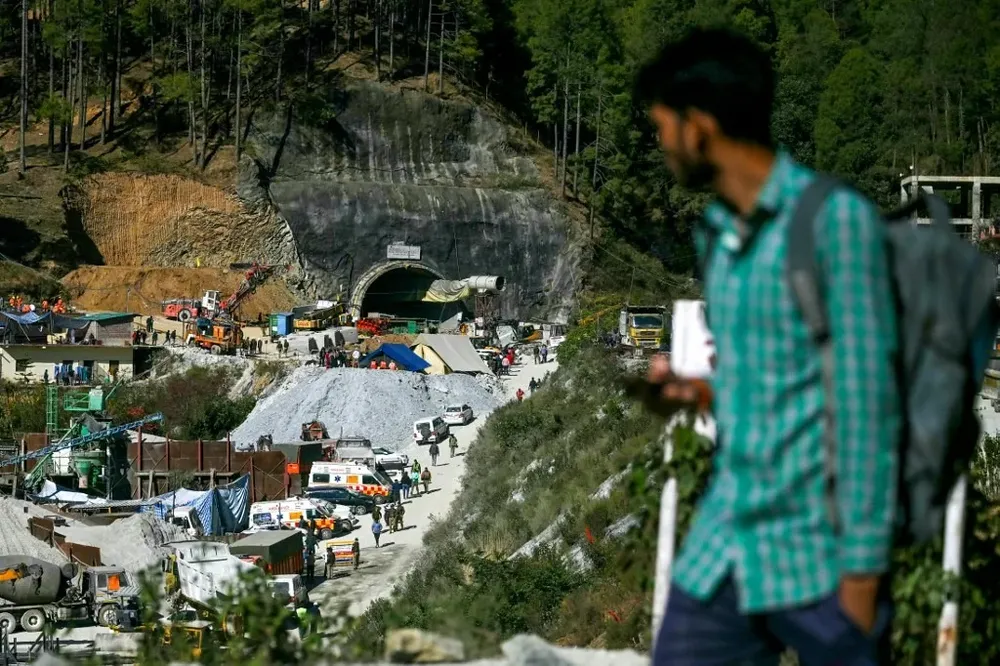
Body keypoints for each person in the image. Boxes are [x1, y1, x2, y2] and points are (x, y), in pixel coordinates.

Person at [635, 28, 898, 665]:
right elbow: (771, 385)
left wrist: (862, 577)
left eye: (663, 126)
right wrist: (696, 392)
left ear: (698, 126)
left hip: (821, 559)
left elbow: (869, 410)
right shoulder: (722, 238)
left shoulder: (834, 223)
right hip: (728, 542)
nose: (661, 144)